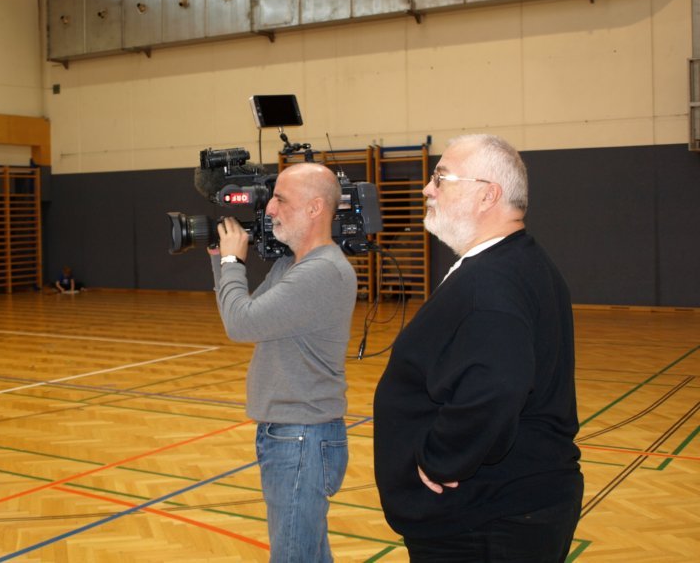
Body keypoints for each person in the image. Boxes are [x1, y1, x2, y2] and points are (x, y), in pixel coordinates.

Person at [373, 134, 582, 562]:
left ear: (488, 195)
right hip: (507, 508)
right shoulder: (517, 263)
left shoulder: (491, 283)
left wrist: (442, 460)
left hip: (484, 520)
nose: (427, 189)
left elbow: (498, 385)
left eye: (441, 178)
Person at [210, 162, 357, 562]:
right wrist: (220, 259)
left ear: (314, 208)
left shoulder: (321, 272)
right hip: (291, 434)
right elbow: (245, 314)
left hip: (301, 437)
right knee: (308, 554)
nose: (270, 209)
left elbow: (241, 324)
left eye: (280, 199)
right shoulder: (291, 266)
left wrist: (232, 264)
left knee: (295, 556)